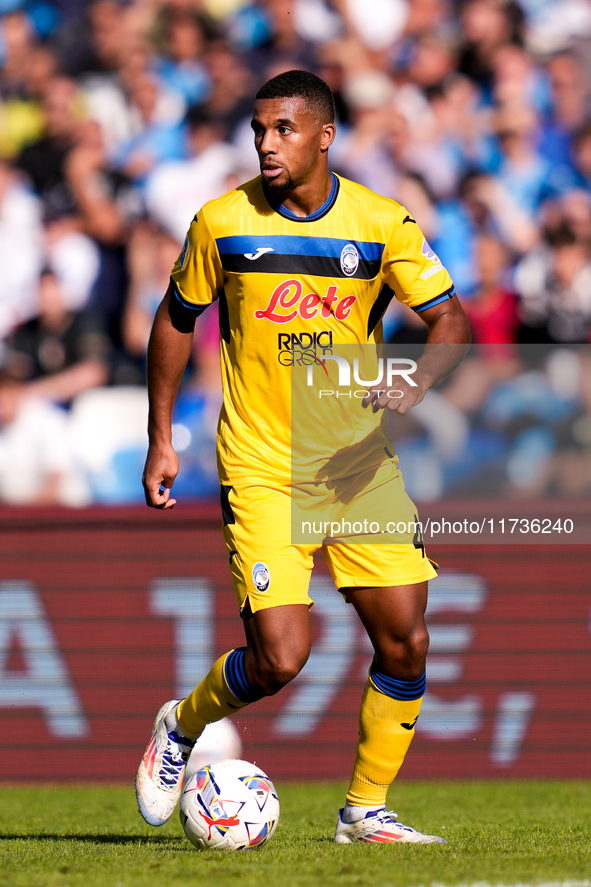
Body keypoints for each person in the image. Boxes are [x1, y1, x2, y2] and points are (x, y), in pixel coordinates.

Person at [136, 70, 470, 845]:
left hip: (356, 466)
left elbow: (448, 317)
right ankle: (181, 723)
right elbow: (174, 318)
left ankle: (365, 808)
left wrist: (416, 382)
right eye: (258, 130)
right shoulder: (222, 222)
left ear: (324, 135)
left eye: (282, 129)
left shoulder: (380, 222)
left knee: (406, 637)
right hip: (259, 465)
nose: (265, 143)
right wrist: (161, 435)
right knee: (280, 658)